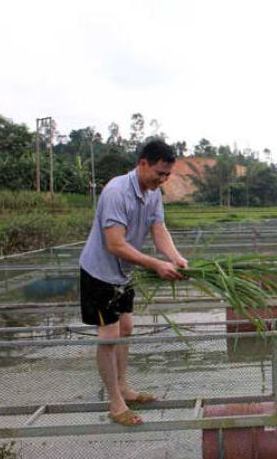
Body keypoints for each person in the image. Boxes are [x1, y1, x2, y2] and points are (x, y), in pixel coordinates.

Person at [79, 138, 188, 426]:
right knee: (110, 335)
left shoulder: (152, 192)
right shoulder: (116, 192)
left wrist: (175, 257)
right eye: (159, 173)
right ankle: (115, 404)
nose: (163, 180)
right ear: (142, 164)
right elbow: (115, 244)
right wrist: (156, 264)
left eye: (167, 175)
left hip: (123, 273)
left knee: (126, 327)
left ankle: (124, 387)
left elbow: (158, 228)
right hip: (100, 273)